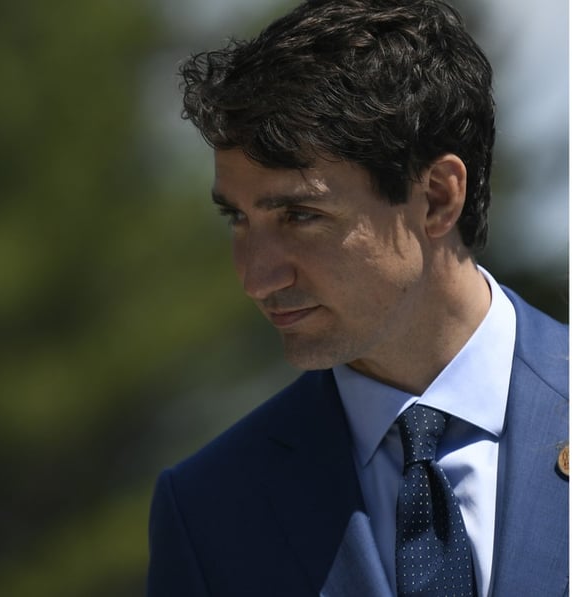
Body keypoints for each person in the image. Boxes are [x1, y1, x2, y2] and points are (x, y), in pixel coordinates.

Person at [147, 1, 568, 596]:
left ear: (438, 198)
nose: (255, 277)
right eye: (237, 218)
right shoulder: (209, 508)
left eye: (300, 214)